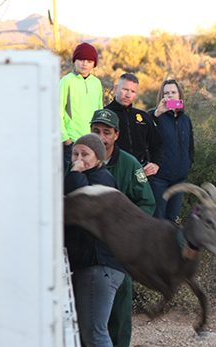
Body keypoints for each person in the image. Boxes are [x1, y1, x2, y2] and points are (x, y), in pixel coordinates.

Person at [89, 109, 156, 347]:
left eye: (106, 132)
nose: (101, 137)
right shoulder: (80, 161)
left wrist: (126, 232)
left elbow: (147, 202)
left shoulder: (129, 163)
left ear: (116, 135)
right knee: (85, 309)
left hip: (119, 249)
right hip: (86, 248)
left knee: (120, 305)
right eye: (96, 131)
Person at [64, 134, 125, 347]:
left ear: (98, 157)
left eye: (85, 154)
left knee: (95, 334)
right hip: (95, 266)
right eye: (75, 154)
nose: (79, 159)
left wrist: (74, 171)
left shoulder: (101, 180)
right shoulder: (91, 176)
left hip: (99, 266)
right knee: (89, 333)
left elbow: (77, 196)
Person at [149, 79, 195, 222]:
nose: (170, 96)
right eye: (166, 93)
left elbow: (190, 147)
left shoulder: (185, 120)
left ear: (179, 95)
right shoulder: (156, 116)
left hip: (179, 180)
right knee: (158, 220)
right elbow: (143, 129)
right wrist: (158, 113)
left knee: (172, 219)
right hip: (159, 179)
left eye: (173, 92)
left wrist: (186, 166)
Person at [104, 73, 164, 177]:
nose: (128, 95)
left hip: (139, 175)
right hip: (112, 174)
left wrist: (155, 164)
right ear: (115, 88)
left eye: (133, 91)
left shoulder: (143, 117)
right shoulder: (104, 115)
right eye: (125, 90)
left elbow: (157, 144)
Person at [60, 42, 103, 170]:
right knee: (72, 180)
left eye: (89, 61)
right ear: (75, 60)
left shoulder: (97, 83)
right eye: (81, 60)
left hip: (92, 142)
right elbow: (57, 111)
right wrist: (66, 140)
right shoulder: (66, 81)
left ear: (94, 63)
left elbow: (99, 112)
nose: (84, 64)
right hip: (72, 142)